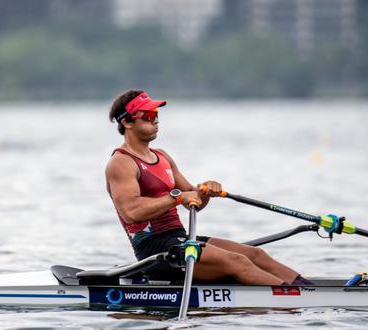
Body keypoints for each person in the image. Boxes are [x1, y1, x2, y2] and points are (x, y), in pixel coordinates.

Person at [105, 89, 313, 285]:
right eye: (148, 116)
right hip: (156, 253)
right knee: (237, 262)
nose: (156, 120)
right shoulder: (121, 162)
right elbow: (131, 212)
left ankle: (307, 289)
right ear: (127, 122)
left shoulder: (162, 156)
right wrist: (177, 197)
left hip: (180, 239)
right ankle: (297, 299)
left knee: (255, 255)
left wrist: (205, 192)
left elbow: (193, 201)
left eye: (157, 114)